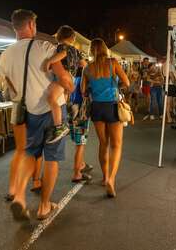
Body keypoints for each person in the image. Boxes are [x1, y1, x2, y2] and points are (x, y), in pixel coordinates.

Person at [0, 9, 74, 221]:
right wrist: (66, 85)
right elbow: (66, 81)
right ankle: (43, 206)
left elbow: (13, 92)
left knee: (30, 154)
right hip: (53, 112)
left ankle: (20, 198)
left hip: (29, 112)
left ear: (15, 27)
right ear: (31, 24)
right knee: (51, 159)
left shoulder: (5, 56)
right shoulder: (45, 47)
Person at [81, 39, 130, 198]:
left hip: (97, 108)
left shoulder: (87, 68)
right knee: (116, 145)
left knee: (103, 143)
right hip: (112, 106)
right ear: (105, 49)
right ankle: (111, 179)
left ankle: (104, 176)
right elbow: (126, 82)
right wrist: (116, 87)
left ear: (91, 51)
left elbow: (83, 91)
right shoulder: (113, 63)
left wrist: (93, 87)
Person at [43, 25, 80, 144]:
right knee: (62, 100)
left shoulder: (62, 47)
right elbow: (83, 64)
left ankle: (59, 127)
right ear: (72, 37)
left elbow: (62, 54)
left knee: (51, 98)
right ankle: (69, 113)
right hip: (72, 77)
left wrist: (50, 61)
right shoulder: (75, 50)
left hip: (63, 76)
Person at [70, 53, 93, 183]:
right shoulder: (83, 81)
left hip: (72, 112)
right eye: (85, 62)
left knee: (78, 143)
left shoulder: (72, 78)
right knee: (81, 144)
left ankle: (82, 164)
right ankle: (77, 173)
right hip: (81, 114)